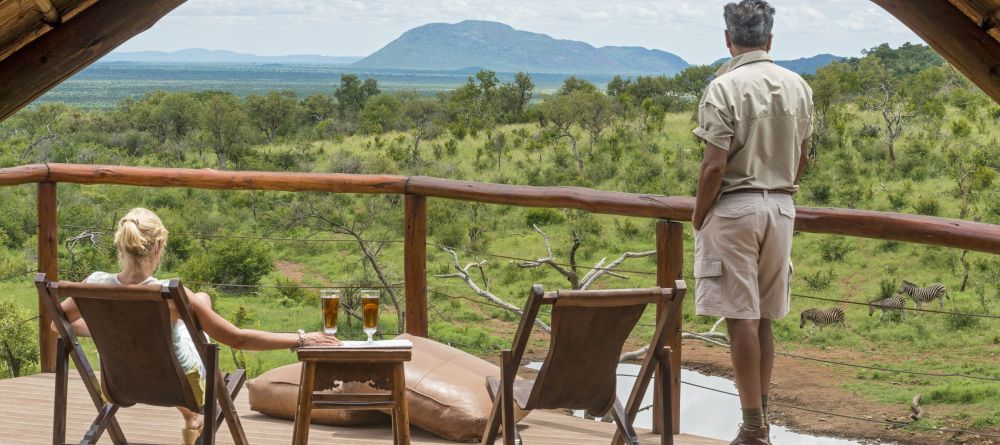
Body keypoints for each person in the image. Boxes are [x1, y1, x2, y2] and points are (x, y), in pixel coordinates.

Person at [54, 207, 341, 445]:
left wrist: (108, 330)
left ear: (120, 244)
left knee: (197, 303)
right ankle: (194, 415)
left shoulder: (92, 285)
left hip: (119, 383)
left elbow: (59, 326)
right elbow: (237, 339)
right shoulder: (169, 294)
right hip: (183, 386)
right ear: (158, 247)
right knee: (199, 303)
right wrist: (300, 337)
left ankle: (191, 420)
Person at [691, 1, 813, 444]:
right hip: (781, 208)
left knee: (740, 319)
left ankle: (752, 429)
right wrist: (781, 189)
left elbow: (713, 167)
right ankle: (759, 423)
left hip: (735, 208)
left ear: (728, 38)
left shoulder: (723, 87)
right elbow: (801, 155)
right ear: (770, 39)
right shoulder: (798, 85)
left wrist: (699, 214)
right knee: (762, 319)